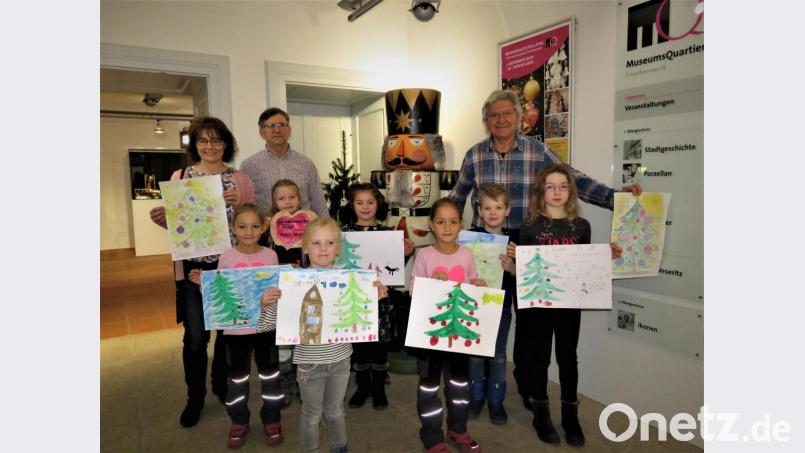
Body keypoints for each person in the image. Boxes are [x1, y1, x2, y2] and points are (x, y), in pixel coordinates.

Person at [149, 116, 256, 428]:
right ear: (195, 145)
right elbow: (181, 224)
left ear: (226, 144)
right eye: (204, 140)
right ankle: (194, 397)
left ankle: (221, 385)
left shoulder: (240, 179)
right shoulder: (181, 176)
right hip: (193, 268)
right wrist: (165, 220)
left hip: (229, 266)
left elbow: (254, 222)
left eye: (217, 140)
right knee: (196, 338)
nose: (210, 146)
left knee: (226, 335)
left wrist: (241, 204)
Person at [515, 163, 622, 447]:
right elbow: (523, 270)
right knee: (539, 357)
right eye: (550, 187)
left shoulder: (581, 226)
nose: (557, 192)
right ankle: (541, 414)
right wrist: (512, 264)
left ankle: (570, 415)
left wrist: (604, 258)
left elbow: (584, 266)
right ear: (541, 191)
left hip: (568, 306)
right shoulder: (529, 225)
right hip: (538, 306)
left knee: (567, 357)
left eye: (563, 186)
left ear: (571, 192)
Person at [449, 89, 641, 241]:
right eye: (494, 115)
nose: (501, 120)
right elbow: (456, 198)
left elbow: (573, 180)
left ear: (518, 117)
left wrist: (614, 197)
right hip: (484, 239)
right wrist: (446, 231)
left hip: (527, 237)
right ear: (486, 121)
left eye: (507, 113)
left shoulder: (539, 152)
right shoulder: (474, 155)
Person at [264, 217, 388, 453]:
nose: (323, 248)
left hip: (341, 360)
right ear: (305, 247)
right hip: (309, 363)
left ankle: (339, 447)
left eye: (330, 243)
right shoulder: (295, 282)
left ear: (338, 248)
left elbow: (358, 314)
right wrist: (267, 304)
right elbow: (270, 324)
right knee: (312, 414)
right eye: (316, 243)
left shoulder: (350, 279)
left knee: (335, 410)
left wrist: (374, 297)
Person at [187, 204, 284, 448]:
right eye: (242, 226)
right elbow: (219, 292)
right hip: (235, 331)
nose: (248, 232)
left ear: (263, 228)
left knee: (271, 375)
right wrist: (204, 284)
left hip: (266, 327)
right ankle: (239, 420)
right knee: (237, 378)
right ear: (233, 228)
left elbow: (277, 290)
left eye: (255, 226)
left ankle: (272, 418)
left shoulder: (271, 256)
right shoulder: (227, 257)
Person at [410, 198, 486, 453]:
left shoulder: (466, 254)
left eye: (453, 221)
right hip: (430, 336)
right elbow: (413, 290)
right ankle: (432, 436)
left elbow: (471, 284)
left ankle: (458, 429)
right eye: (441, 221)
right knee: (429, 388)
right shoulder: (424, 255)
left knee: (459, 386)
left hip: (458, 337)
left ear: (461, 224)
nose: (447, 227)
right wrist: (432, 283)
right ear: (431, 224)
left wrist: (478, 285)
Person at [339, 183, 415, 410]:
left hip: (382, 300)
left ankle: (379, 386)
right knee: (360, 345)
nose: (365, 207)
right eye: (359, 202)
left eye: (370, 202)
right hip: (354, 299)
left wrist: (405, 254)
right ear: (352, 205)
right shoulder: (343, 234)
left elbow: (393, 269)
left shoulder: (389, 233)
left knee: (380, 345)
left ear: (378, 204)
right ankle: (362, 385)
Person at [466, 184, 516, 425]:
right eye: (487, 208)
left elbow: (523, 277)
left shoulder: (514, 242)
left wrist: (512, 266)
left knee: (498, 355)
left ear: (507, 210)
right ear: (479, 211)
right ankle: (476, 397)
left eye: (498, 207)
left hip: (501, 306)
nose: (492, 212)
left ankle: (496, 401)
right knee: (475, 354)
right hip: (474, 304)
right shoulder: (469, 238)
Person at [240, 107, 328, 217]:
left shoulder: (306, 164)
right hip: (269, 227)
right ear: (262, 132)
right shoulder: (249, 166)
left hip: (305, 226)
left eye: (281, 125)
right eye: (270, 126)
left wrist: (326, 226)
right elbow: (244, 207)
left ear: (289, 130)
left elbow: (319, 204)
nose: (277, 130)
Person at [260, 179, 308, 267]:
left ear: (299, 199)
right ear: (274, 203)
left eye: (292, 197)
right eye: (281, 198)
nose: (288, 202)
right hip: (277, 268)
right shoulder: (269, 224)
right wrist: (263, 229)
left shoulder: (308, 221)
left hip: (302, 268)